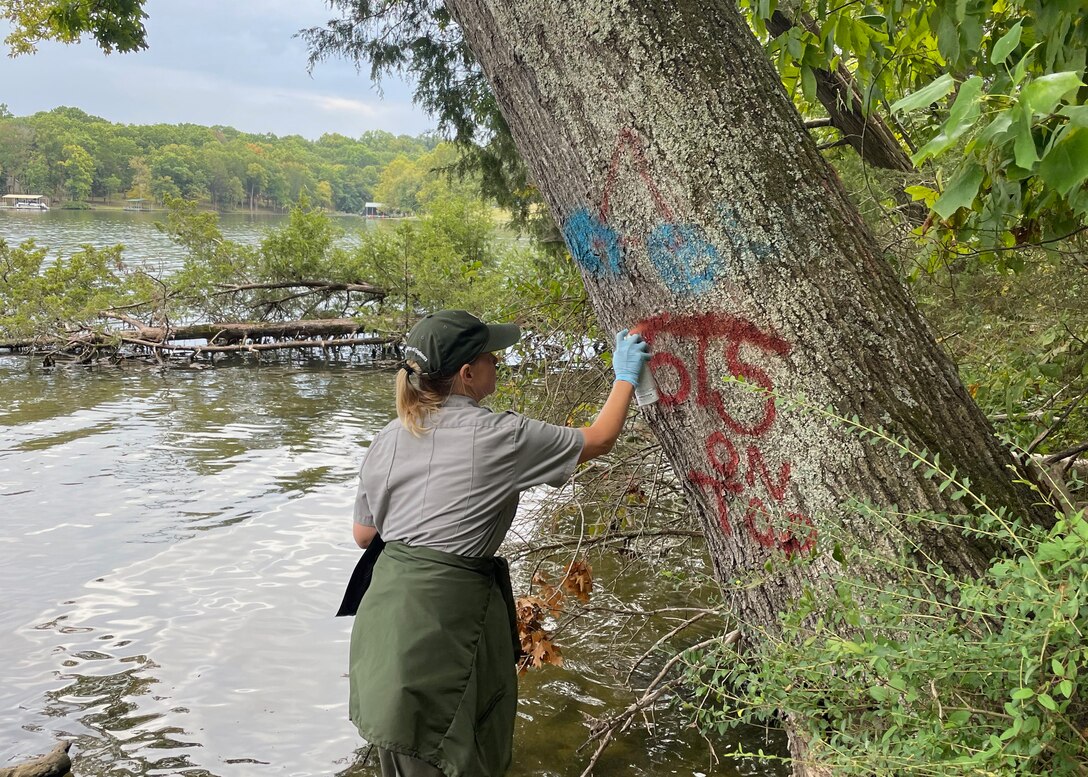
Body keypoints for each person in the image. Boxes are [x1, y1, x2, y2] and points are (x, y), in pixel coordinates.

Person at [346, 309, 650, 777]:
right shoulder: (499, 435)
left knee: (405, 744)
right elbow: (600, 438)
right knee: (456, 748)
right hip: (445, 622)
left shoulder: (389, 435)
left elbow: (365, 535)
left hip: (384, 620)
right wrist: (624, 376)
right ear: (467, 374)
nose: (498, 363)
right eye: (491, 356)